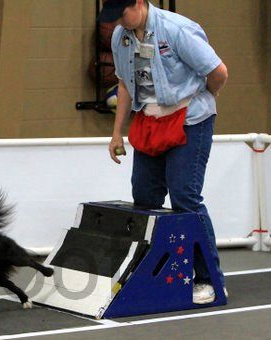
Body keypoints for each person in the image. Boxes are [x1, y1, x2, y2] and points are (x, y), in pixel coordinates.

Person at [100, 0, 229, 303]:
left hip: (189, 117)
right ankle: (153, 274)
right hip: (149, 119)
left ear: (140, 3)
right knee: (144, 197)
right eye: (115, 18)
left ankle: (210, 280)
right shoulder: (122, 36)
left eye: (123, 14)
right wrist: (117, 132)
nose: (120, 22)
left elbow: (218, 71)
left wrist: (206, 97)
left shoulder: (177, 29)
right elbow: (124, 84)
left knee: (185, 197)